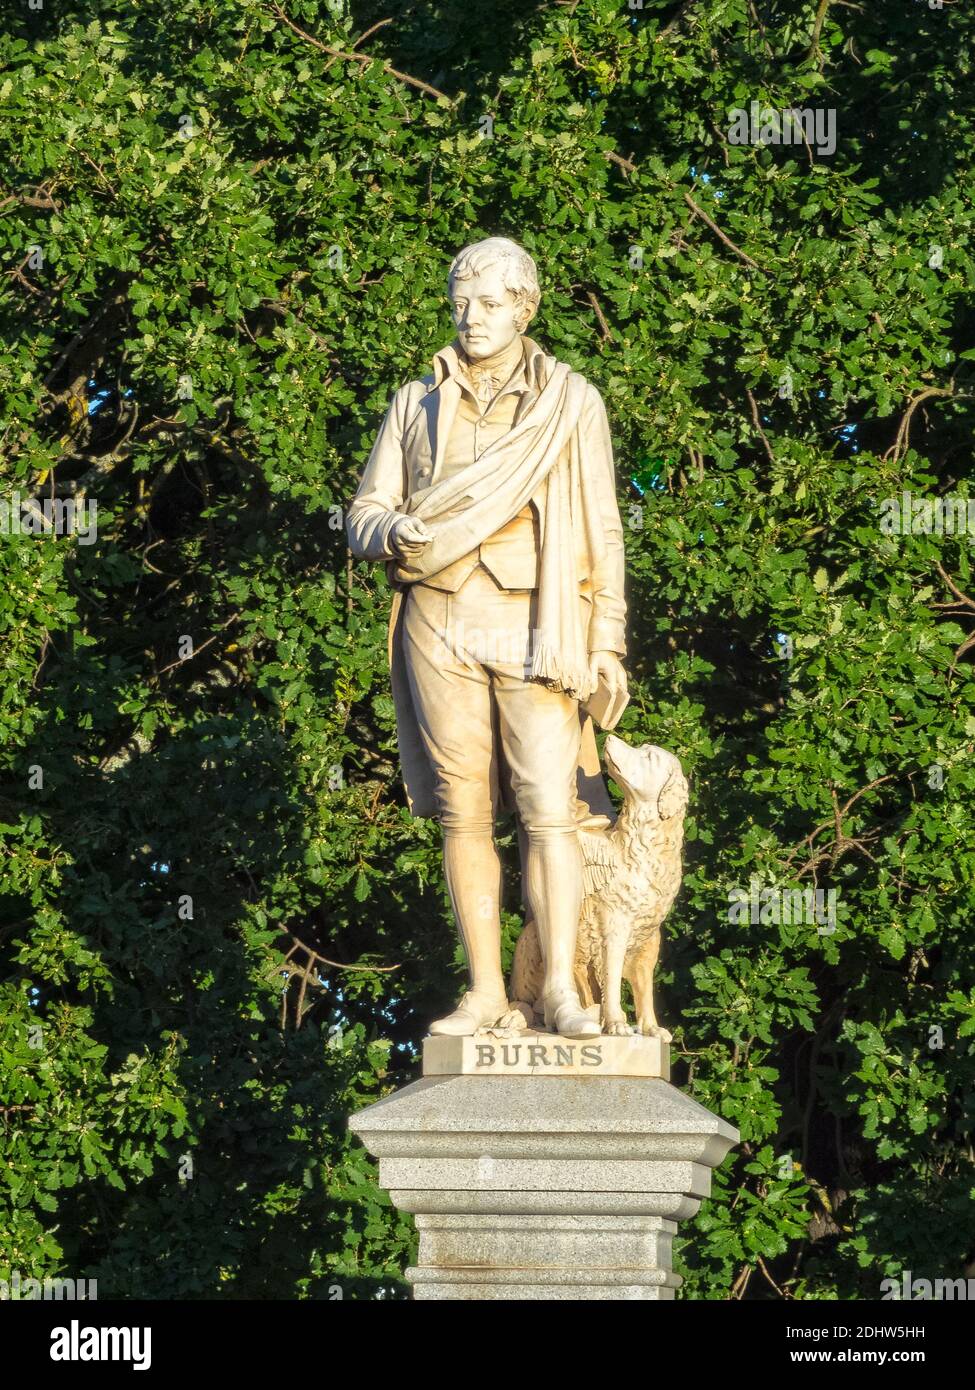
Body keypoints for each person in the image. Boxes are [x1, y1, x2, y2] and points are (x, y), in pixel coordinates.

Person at [347, 237, 628, 1038]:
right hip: (437, 619)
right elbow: (362, 513)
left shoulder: (569, 401)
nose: (473, 317)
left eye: (492, 303)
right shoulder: (415, 401)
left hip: (536, 624)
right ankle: (483, 992)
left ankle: (561, 991)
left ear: (524, 309)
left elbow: (603, 529)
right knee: (461, 812)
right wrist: (389, 529)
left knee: (550, 809)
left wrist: (605, 641)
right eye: (462, 302)